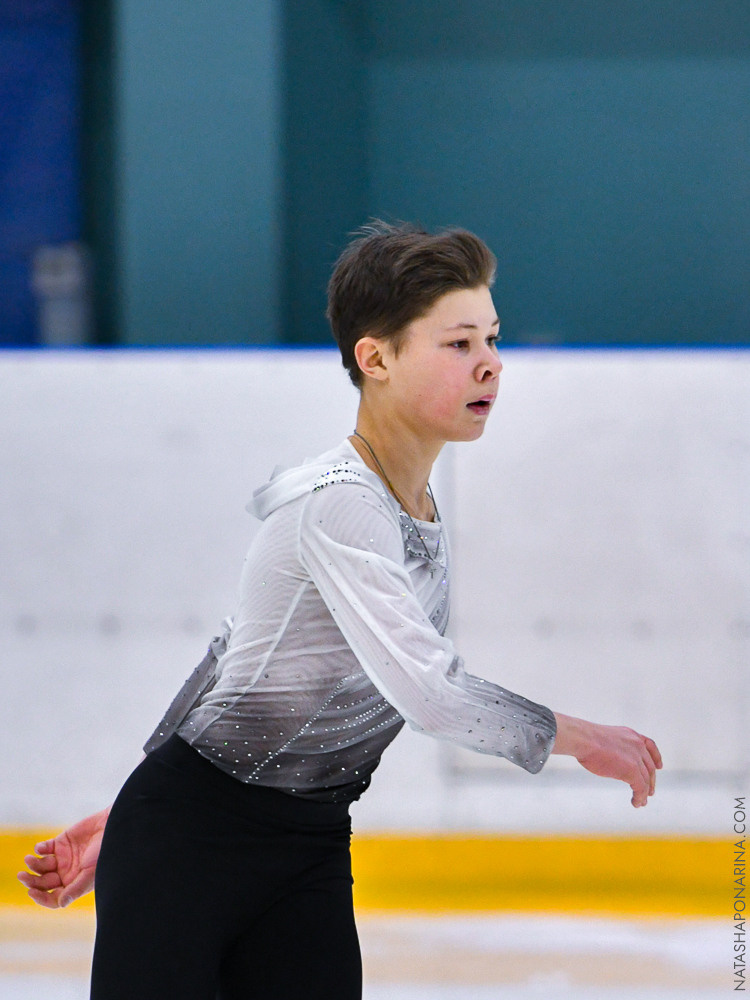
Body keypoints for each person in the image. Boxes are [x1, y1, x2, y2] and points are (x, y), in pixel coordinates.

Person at [18, 221, 662, 999]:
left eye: (490, 338)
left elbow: (232, 654)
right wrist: (581, 738)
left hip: (309, 845)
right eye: (458, 344)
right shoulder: (342, 504)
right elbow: (429, 693)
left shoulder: (410, 504)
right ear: (376, 357)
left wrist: (125, 809)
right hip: (191, 845)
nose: (490, 361)